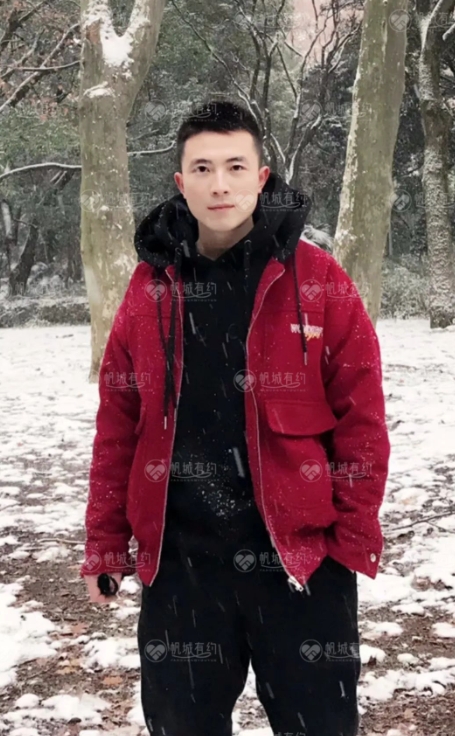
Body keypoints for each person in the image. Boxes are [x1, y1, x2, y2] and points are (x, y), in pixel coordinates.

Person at [81, 99, 390, 736]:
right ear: (181, 181)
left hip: (300, 561)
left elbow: (362, 417)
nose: (219, 184)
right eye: (202, 168)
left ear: (261, 175)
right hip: (181, 567)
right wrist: (106, 542)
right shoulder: (149, 287)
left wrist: (348, 539)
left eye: (234, 166)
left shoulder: (317, 278)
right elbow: (118, 424)